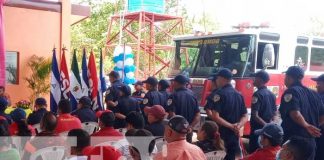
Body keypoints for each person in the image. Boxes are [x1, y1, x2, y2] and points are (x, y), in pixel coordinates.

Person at [279, 66, 324, 159]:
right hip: (311, 142)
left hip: (293, 142)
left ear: (288, 77)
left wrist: (306, 126)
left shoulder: (291, 91)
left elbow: (295, 113)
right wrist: (313, 128)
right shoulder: (314, 93)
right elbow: (322, 116)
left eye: (285, 77)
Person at [209, 68, 248, 160]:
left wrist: (231, 126)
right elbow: (245, 115)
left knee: (220, 156)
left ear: (223, 79)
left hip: (221, 134)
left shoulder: (219, 94)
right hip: (234, 134)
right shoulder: (239, 94)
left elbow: (215, 116)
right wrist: (238, 126)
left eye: (217, 78)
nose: (216, 81)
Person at [166, 74, 201, 142]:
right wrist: (190, 127)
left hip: (177, 134)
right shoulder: (193, 95)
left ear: (176, 83)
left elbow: (172, 115)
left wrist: (179, 129)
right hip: (189, 131)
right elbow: (198, 115)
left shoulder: (173, 96)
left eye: (173, 82)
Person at [249, 70, 277, 153]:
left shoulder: (257, 94)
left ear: (260, 80)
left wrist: (266, 126)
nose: (253, 79)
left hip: (257, 130)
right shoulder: (272, 94)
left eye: (255, 77)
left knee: (254, 152)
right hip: (267, 132)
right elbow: (275, 113)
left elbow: (255, 115)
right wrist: (270, 125)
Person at [311, 74, 324, 160]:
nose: (316, 86)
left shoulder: (321, 98)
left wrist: (312, 129)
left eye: (319, 83)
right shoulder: (320, 96)